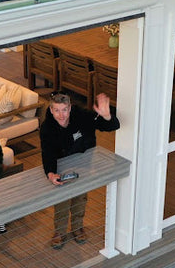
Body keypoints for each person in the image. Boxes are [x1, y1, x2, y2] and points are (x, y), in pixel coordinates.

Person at [40, 93, 120, 250]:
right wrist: (50, 173)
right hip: (61, 165)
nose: (61, 115)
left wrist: (107, 116)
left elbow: (112, 126)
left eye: (64, 110)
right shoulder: (47, 127)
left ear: (70, 108)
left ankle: (78, 228)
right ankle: (60, 232)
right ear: (50, 110)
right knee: (62, 199)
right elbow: (47, 152)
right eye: (56, 110)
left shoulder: (82, 116)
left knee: (80, 198)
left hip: (84, 163)